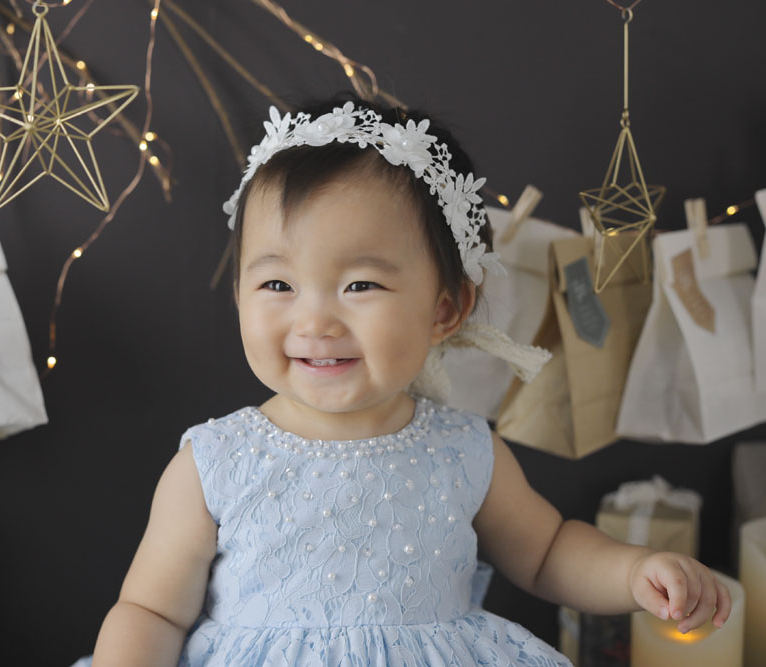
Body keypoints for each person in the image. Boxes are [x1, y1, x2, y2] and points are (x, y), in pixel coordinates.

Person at [92, 96, 731, 666]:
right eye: (277, 283)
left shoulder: (461, 449)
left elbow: (549, 552)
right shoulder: (217, 463)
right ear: (239, 294)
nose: (315, 322)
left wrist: (634, 570)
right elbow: (150, 611)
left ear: (445, 309)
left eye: (360, 285)